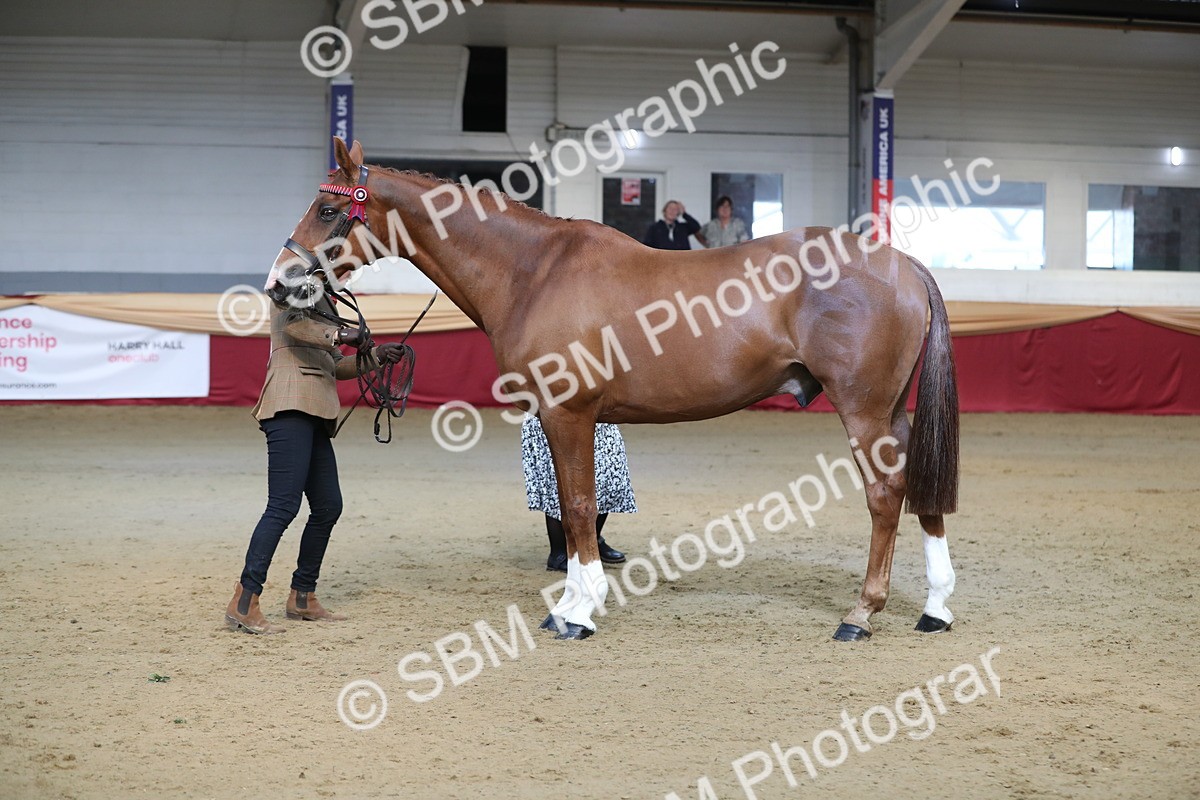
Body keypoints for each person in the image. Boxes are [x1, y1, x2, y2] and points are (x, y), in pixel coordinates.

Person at [224, 293, 405, 635]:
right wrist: (341, 334)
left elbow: (336, 365)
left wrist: (377, 356)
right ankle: (244, 601)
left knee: (328, 506)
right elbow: (295, 327)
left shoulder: (326, 305)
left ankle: (303, 596)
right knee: (282, 506)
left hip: (317, 413)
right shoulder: (291, 290)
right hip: (290, 405)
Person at [521, 414, 635, 572]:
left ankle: (591, 540)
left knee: (611, 482)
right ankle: (559, 553)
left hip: (597, 416)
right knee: (559, 488)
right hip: (555, 417)